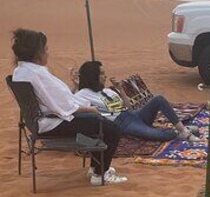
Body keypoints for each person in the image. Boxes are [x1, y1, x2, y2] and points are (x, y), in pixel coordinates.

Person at [11, 28, 126, 185]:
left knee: (96, 123)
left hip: (40, 121)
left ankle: (96, 168)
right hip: (52, 123)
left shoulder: (21, 71)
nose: (48, 53)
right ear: (37, 53)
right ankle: (100, 175)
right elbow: (63, 106)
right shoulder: (37, 74)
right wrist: (89, 109)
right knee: (112, 129)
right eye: (45, 49)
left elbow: (57, 101)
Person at [75, 60, 200, 142]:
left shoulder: (107, 91)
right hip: (121, 123)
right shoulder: (83, 95)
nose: (105, 76)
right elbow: (70, 107)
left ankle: (183, 130)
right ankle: (179, 132)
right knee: (158, 135)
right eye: (101, 74)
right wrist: (75, 86)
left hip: (132, 116)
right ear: (93, 76)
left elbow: (129, 108)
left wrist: (120, 90)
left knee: (158, 99)